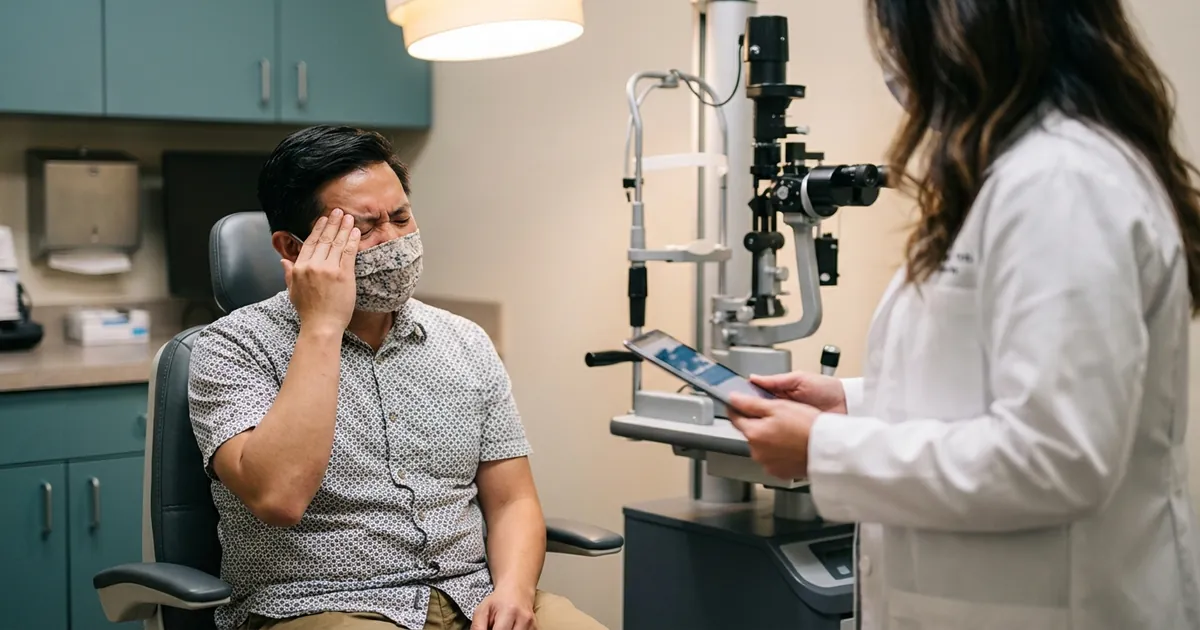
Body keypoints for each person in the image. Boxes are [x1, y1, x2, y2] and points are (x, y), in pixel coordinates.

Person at [726, 1, 1200, 628]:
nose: (894, 59)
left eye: (897, 32)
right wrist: (854, 403)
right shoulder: (1021, 174)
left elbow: (1056, 456)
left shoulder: (1061, 183)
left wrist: (826, 450)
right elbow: (1001, 379)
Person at [188, 126, 604, 630]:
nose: (394, 240)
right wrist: (322, 325)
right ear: (293, 248)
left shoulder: (465, 342)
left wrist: (513, 592)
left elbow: (512, 498)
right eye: (362, 229)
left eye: (402, 217)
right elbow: (279, 497)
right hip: (321, 605)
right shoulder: (231, 348)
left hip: (472, 595)